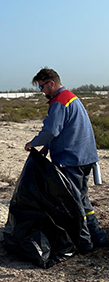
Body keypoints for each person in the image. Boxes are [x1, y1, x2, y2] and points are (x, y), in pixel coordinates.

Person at [24, 68, 107, 251]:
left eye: (42, 87)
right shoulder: (71, 97)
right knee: (82, 198)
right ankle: (98, 236)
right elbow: (64, 130)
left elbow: (52, 130)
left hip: (72, 160)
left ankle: (84, 243)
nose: (42, 91)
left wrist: (34, 143)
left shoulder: (60, 102)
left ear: (51, 83)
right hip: (85, 157)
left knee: (74, 203)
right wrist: (46, 147)